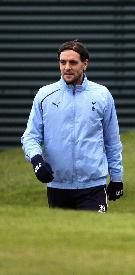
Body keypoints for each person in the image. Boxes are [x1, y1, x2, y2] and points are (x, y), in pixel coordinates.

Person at [21, 40, 124, 212]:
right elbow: (30, 136)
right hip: (57, 186)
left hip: (93, 187)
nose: (67, 67)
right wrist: (37, 161)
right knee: (61, 239)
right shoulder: (44, 95)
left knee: (93, 238)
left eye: (73, 62)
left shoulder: (102, 95)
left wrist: (117, 178)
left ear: (85, 64)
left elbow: (112, 141)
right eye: (63, 62)